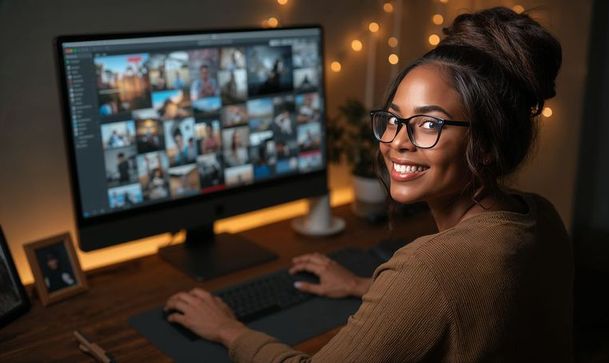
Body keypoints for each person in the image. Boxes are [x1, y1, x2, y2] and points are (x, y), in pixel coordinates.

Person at [164, 7, 572, 362]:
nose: (396, 141)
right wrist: (365, 288)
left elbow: (439, 284)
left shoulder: (426, 271)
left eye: (429, 124)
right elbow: (468, 305)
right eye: (394, 118)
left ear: (485, 145)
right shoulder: (539, 215)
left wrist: (227, 330)